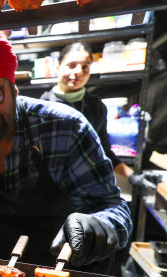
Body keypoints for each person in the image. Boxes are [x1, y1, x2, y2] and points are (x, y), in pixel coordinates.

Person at [0, 32, 132, 275]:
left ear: (13, 88)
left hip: (78, 272)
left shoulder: (65, 128)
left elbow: (114, 208)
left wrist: (100, 226)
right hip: (4, 269)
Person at [40, 42, 159, 190]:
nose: (79, 72)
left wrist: (134, 176)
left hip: (85, 188)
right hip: (50, 190)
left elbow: (104, 151)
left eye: (85, 66)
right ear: (57, 68)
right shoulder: (42, 106)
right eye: (71, 65)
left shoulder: (95, 106)